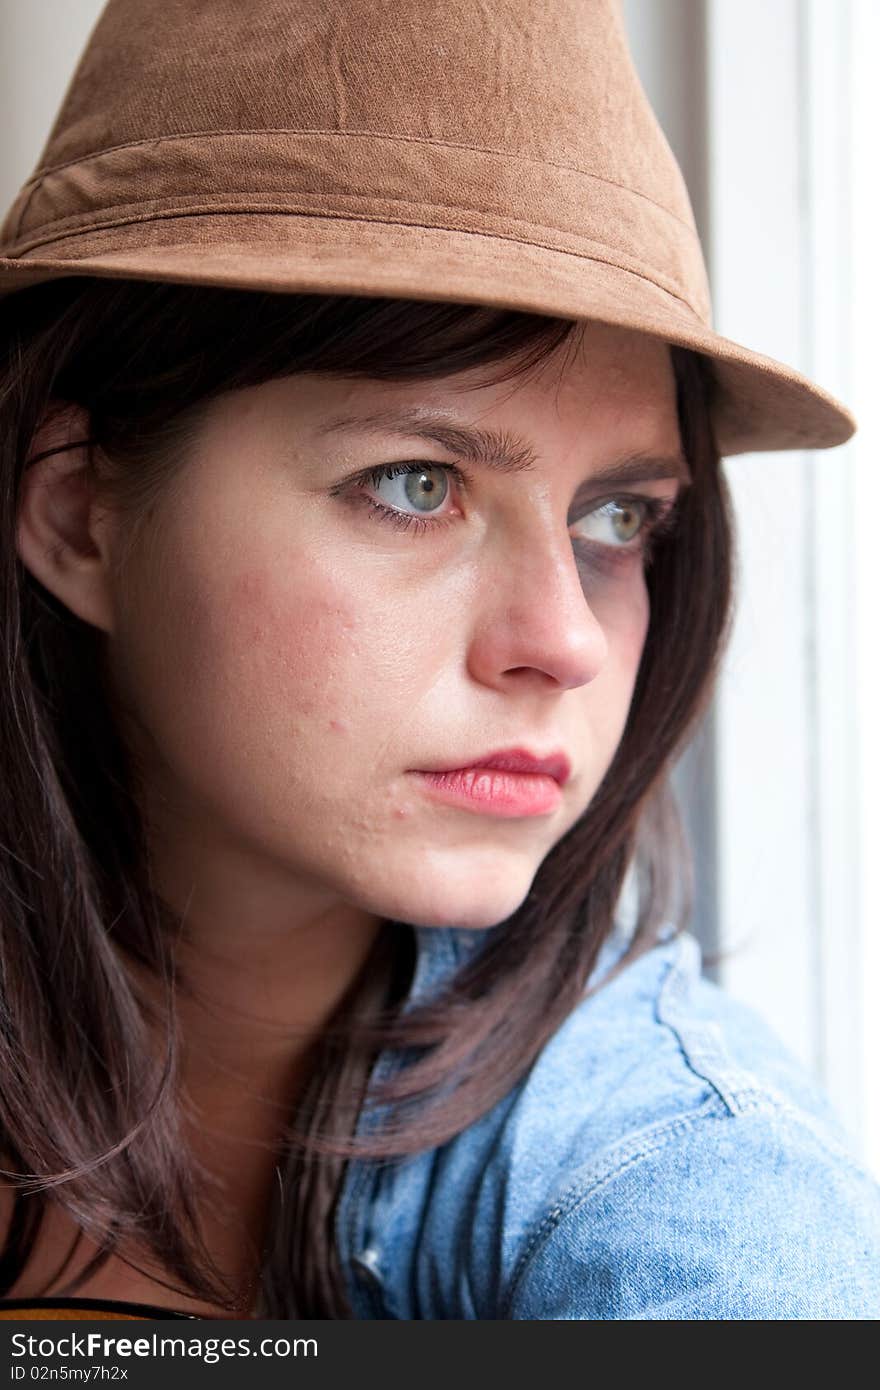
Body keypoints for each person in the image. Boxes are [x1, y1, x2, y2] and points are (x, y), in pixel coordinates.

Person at [0, 0, 877, 1322]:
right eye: (418, 482)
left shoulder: (677, 1173)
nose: (567, 640)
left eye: (617, 517)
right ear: (78, 511)